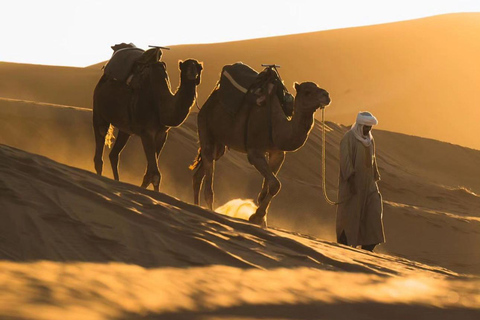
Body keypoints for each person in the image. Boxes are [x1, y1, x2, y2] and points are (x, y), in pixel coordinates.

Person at [336, 111, 385, 252]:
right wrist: (351, 182)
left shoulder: (370, 139)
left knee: (374, 214)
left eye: (370, 127)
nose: (368, 130)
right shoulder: (348, 138)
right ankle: (345, 247)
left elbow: (372, 159)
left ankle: (368, 247)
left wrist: (375, 177)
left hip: (369, 185)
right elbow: (345, 162)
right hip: (353, 184)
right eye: (366, 127)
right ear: (359, 125)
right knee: (351, 217)